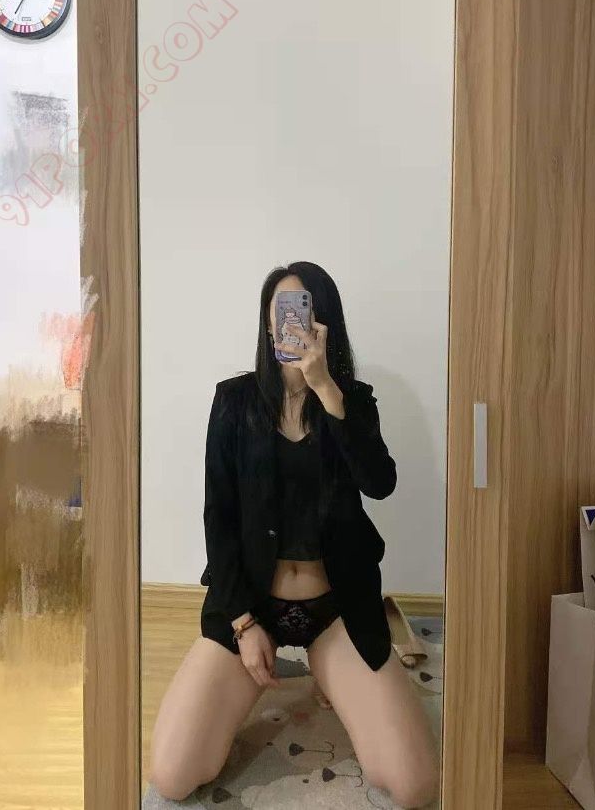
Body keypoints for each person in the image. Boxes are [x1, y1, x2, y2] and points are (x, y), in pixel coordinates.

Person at [149, 261, 440, 807]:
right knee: (174, 774)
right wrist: (242, 623)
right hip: (252, 604)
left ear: (323, 323)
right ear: (267, 324)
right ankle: (273, 666)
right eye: (279, 311)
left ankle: (328, 671)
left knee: (413, 783)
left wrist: (327, 389)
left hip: (337, 608)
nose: (289, 323)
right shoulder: (233, 402)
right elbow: (218, 517)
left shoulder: (352, 400)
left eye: (302, 310)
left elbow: (380, 483)